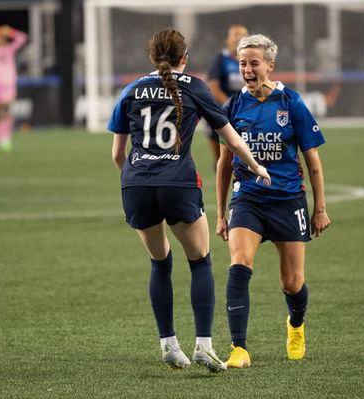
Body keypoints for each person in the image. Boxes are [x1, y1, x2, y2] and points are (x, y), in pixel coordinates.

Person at [108, 29, 270, 372]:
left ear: (151, 57)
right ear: (186, 57)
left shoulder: (131, 90)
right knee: (200, 261)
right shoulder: (195, 87)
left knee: (159, 262)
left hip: (136, 185)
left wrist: (136, 178)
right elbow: (232, 140)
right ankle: (204, 347)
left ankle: (168, 345)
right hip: (178, 184)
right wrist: (256, 166)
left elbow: (117, 154)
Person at [215, 34, 330, 367]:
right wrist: (221, 213)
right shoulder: (234, 105)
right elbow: (224, 164)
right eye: (242, 63)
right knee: (239, 265)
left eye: (254, 63)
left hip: (287, 200)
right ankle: (239, 348)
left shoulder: (291, 103)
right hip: (247, 198)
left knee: (292, 283)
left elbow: (313, 162)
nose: (248, 69)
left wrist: (319, 208)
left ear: (269, 65)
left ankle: (295, 325)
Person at [205, 25, 249, 168]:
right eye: (235, 34)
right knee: (212, 123)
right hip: (225, 107)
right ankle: (219, 160)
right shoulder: (221, 60)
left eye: (242, 34)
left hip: (249, 106)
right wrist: (231, 106)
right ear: (227, 40)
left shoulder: (253, 58)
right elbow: (213, 87)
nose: (239, 38)